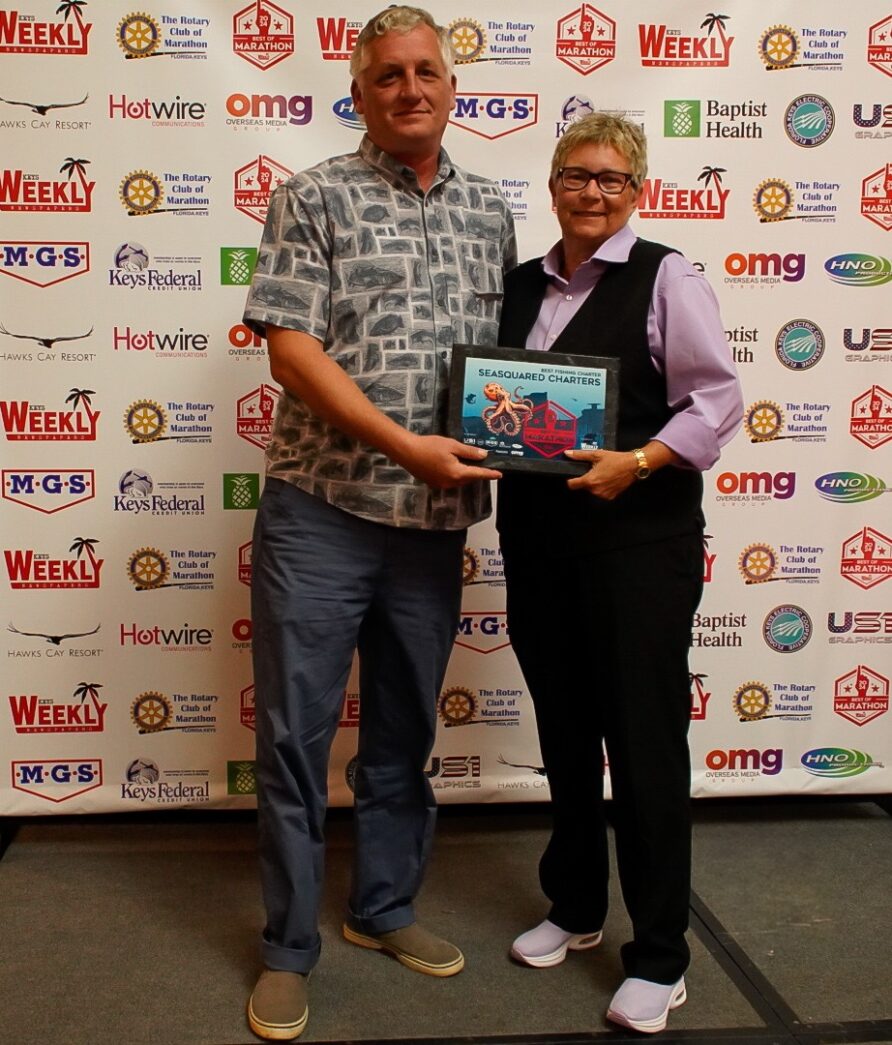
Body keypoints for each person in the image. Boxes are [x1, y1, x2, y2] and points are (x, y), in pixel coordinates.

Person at [241, 7, 516, 1040]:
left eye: (427, 72)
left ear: (453, 88)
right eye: (389, 74)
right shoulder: (311, 194)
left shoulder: (491, 209)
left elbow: (510, 369)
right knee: (294, 737)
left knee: (405, 728)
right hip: (322, 510)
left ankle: (382, 908)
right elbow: (290, 350)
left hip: (434, 524)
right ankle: (285, 946)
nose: (410, 88)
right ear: (360, 92)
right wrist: (403, 446)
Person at [495, 113, 742, 1035]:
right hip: (539, 541)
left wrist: (636, 462)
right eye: (576, 176)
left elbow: (716, 400)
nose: (592, 192)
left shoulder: (667, 274)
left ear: (636, 190)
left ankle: (662, 953)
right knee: (564, 732)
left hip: (640, 546)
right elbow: (504, 403)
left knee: (641, 745)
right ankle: (576, 906)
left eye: (612, 179)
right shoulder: (520, 284)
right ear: (552, 183)